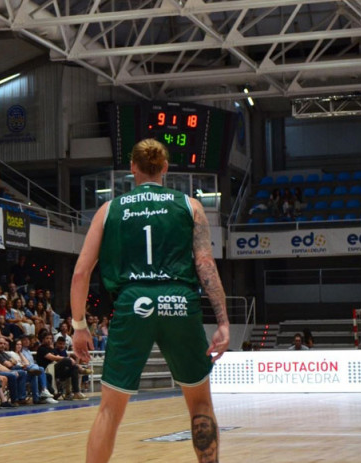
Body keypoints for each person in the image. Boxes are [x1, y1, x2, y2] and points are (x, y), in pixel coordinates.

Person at [69, 138, 230, 463]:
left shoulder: (109, 209)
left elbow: (80, 273)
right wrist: (223, 321)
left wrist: (79, 325)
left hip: (132, 303)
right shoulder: (190, 206)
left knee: (109, 412)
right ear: (165, 168)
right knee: (200, 404)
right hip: (180, 301)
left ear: (133, 167)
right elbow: (205, 264)